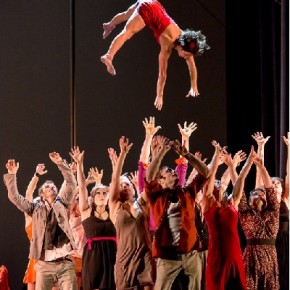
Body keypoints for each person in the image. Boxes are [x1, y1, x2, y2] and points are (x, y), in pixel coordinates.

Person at [100, 0, 210, 110]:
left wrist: (194, 86)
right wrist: (160, 96)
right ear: (181, 46)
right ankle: (109, 56)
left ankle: (109, 26)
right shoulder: (167, 45)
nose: (186, 57)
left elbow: (192, 67)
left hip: (154, 3)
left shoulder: (184, 36)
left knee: (126, 14)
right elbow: (162, 74)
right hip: (148, 10)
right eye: (186, 55)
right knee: (127, 33)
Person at [4, 153, 78, 290]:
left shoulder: (63, 203)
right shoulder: (35, 208)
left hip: (65, 262)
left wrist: (60, 163)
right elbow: (15, 197)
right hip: (44, 264)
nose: (50, 186)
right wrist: (12, 174)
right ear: (41, 194)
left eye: (52, 186)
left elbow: (71, 183)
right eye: (46, 187)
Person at [144, 137, 210, 290]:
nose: (173, 171)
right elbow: (149, 177)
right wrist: (161, 153)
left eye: (172, 170)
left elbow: (205, 173)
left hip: (190, 253)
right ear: (161, 181)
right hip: (167, 256)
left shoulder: (187, 192)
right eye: (168, 171)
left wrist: (187, 155)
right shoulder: (156, 196)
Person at [108, 136, 155, 290]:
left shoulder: (142, 203)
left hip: (145, 255)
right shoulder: (115, 207)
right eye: (121, 185)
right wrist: (122, 154)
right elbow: (114, 179)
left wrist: (154, 152)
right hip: (124, 258)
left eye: (127, 184)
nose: (124, 186)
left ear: (133, 188)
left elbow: (149, 178)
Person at [70, 146, 117, 290]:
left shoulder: (114, 211)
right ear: (93, 197)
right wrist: (79, 164)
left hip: (112, 252)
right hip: (93, 254)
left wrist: (115, 164)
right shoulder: (86, 211)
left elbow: (115, 183)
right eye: (98, 193)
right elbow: (83, 187)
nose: (102, 195)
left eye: (104, 193)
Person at [203, 141, 246, 290]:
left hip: (234, 253)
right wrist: (216, 158)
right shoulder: (208, 204)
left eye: (219, 185)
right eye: (215, 185)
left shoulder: (232, 202)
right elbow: (210, 178)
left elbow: (239, 184)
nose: (218, 186)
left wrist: (233, 166)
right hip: (218, 254)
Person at [235, 145, 280, 289]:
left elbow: (270, 190)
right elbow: (239, 189)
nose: (258, 193)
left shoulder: (273, 212)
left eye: (260, 193)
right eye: (253, 193)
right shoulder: (245, 213)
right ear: (248, 201)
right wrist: (232, 167)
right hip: (251, 257)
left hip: (270, 257)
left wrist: (262, 167)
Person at [251, 131, 289, 290]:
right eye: (271, 183)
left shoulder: (286, 200)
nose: (274, 185)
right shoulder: (266, 202)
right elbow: (260, 175)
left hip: (286, 243)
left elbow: (288, 175)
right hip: (269, 243)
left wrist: (289, 148)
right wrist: (261, 148)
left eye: (277, 183)